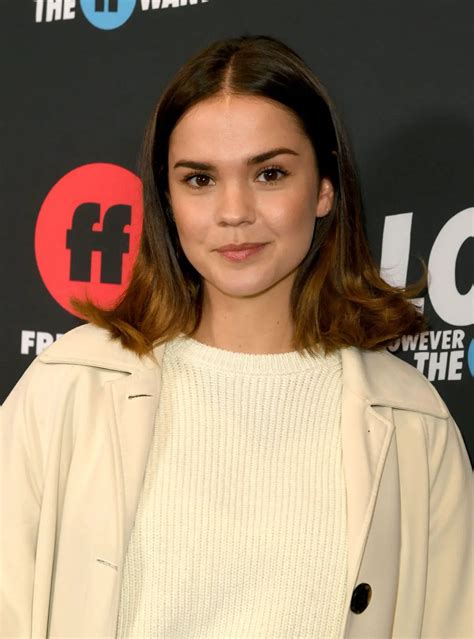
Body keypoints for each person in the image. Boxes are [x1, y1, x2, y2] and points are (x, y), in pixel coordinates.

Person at [1, 34, 472, 638]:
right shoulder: (66, 388)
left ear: (325, 188)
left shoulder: (413, 423)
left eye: (269, 173)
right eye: (199, 180)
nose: (233, 211)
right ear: (166, 200)